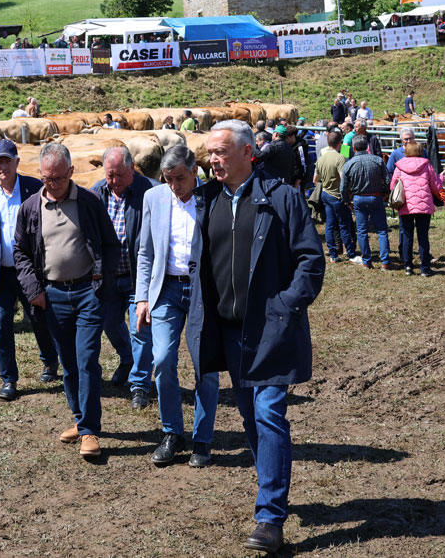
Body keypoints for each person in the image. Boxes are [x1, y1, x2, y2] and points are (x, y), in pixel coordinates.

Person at [186, 119, 324, 553]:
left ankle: (270, 517)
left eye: (221, 152)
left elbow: (311, 260)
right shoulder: (205, 200)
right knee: (249, 415)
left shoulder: (282, 199)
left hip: (270, 329)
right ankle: (272, 478)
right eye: (209, 153)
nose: (212, 160)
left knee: (267, 413)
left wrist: (284, 305)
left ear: (248, 153)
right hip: (227, 330)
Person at [13, 143, 119, 459]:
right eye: (47, 178)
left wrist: (101, 276)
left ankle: (89, 431)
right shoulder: (31, 207)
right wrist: (34, 290)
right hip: (53, 296)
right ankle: (79, 418)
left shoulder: (89, 202)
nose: (53, 184)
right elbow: (20, 251)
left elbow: (111, 245)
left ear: (71, 172)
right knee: (69, 365)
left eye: (58, 178)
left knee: (87, 360)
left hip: (88, 292)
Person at [134, 144, 219, 468]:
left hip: (203, 291)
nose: (174, 186)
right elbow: (145, 253)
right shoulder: (153, 198)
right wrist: (143, 297)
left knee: (205, 366)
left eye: (180, 178)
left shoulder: (213, 197)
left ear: (194, 171)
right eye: (168, 179)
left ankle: (203, 439)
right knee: (163, 359)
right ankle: (172, 432)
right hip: (166, 289)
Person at [0, 139, 60, 401]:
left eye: (8, 161)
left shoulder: (34, 187)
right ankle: (8, 379)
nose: (3, 166)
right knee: (1, 325)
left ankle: (49, 360)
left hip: (29, 271)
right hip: (0, 272)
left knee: (39, 317)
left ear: (17, 162)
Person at [91, 146, 157, 407]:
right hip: (107, 276)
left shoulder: (150, 192)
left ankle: (140, 384)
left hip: (137, 277)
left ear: (132, 168)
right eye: (110, 175)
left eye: (119, 175)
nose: (114, 181)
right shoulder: (97, 192)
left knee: (141, 329)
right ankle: (127, 357)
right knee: (109, 323)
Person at [390, 139, 444, 277]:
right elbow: (435, 187)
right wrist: (441, 178)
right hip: (423, 205)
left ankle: (408, 266)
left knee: (407, 235)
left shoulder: (399, 166)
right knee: (423, 236)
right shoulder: (427, 165)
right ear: (420, 151)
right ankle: (425, 268)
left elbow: (392, 186)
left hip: (405, 205)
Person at [340, 136, 393, 269]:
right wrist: (385, 193)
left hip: (358, 198)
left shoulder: (349, 164)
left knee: (362, 230)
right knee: (381, 230)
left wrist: (346, 201)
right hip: (376, 197)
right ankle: (385, 261)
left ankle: (366, 261)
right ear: (368, 147)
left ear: (354, 148)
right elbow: (388, 180)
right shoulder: (378, 160)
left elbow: (343, 186)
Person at [314, 131, 355, 262]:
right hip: (337, 195)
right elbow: (343, 178)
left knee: (329, 225)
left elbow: (315, 179)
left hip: (326, 194)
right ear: (340, 143)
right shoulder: (340, 158)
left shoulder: (321, 158)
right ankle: (351, 252)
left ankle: (333, 253)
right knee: (344, 224)